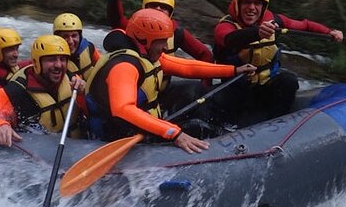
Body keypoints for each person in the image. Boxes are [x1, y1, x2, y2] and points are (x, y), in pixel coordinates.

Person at [85, 8, 256, 154]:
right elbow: (123, 109)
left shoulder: (146, 54)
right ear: (145, 40)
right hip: (115, 135)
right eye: (162, 41)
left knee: (194, 98)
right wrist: (174, 133)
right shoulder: (124, 67)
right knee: (197, 128)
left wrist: (234, 70)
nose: (166, 47)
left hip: (138, 128)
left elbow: (187, 67)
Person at [213, 0, 344, 124]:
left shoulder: (274, 20)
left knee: (289, 80)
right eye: (246, 3)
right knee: (240, 93)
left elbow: (305, 25)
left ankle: (276, 123)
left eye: (257, 3)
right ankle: (238, 125)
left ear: (264, 7)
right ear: (238, 5)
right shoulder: (226, 25)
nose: (251, 8)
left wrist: (329, 32)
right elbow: (229, 40)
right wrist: (257, 33)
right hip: (235, 88)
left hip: (265, 84)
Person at [0, 35, 87, 147]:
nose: (58, 65)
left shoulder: (71, 79)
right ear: (37, 63)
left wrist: (83, 94)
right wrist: (0, 126)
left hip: (79, 146)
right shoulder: (16, 91)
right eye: (51, 60)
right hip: (40, 153)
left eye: (62, 59)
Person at [102, 0, 213, 63]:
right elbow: (116, 21)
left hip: (164, 87)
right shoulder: (135, 28)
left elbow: (205, 55)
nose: (158, 9)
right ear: (144, 10)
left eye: (164, 7)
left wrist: (206, 85)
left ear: (170, 14)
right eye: (153, 5)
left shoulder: (178, 34)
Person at [52, 12, 101, 80]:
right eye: (65, 36)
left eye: (74, 36)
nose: (70, 41)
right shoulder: (50, 58)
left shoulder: (89, 48)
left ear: (80, 36)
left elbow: (103, 66)